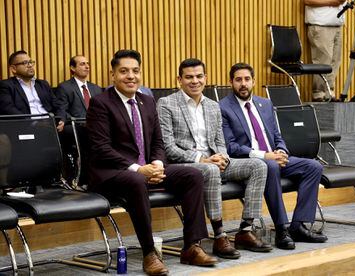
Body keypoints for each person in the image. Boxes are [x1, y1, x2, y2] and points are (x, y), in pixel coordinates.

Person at [86, 50, 217, 276]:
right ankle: (149, 252)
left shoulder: (147, 101)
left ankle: (192, 247)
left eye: (135, 71)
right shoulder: (100, 103)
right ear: (113, 75)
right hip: (111, 173)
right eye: (124, 71)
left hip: (145, 169)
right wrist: (140, 169)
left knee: (193, 175)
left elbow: (158, 141)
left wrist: (157, 164)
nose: (131, 76)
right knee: (137, 180)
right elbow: (101, 148)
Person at [157, 58, 272, 259]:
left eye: (199, 76)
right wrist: (202, 159)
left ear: (205, 78)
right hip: (186, 164)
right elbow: (169, 147)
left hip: (214, 162)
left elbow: (220, 141)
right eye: (189, 77)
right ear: (179, 80)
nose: (195, 81)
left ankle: (245, 230)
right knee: (210, 170)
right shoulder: (166, 104)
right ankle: (219, 235)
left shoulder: (212, 106)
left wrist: (223, 158)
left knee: (258, 166)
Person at [220, 62, 328, 250]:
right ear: (231, 82)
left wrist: (282, 151)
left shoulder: (265, 103)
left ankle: (298, 226)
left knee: (314, 167)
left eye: (247, 79)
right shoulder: (223, 107)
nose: (243, 84)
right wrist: (265, 156)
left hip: (274, 157)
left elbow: (277, 135)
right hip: (250, 162)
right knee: (268, 166)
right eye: (238, 80)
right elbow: (231, 147)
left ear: (254, 81)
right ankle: (281, 229)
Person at [0, 50, 65, 131]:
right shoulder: (6, 85)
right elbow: (9, 110)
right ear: (13, 69)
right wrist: (33, 123)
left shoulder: (43, 84)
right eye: (25, 63)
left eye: (31, 62)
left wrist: (61, 119)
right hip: (26, 126)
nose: (30, 65)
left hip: (50, 123)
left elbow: (58, 105)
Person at [304, 0, 346, 102]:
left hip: (337, 25)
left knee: (334, 62)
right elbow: (308, 1)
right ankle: (319, 94)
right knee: (322, 61)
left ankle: (329, 93)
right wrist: (333, 2)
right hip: (320, 25)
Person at [56, 55, 102, 120]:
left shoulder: (96, 89)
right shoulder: (64, 87)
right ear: (73, 68)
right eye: (82, 64)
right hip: (78, 125)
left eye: (87, 64)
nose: (87, 67)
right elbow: (62, 111)